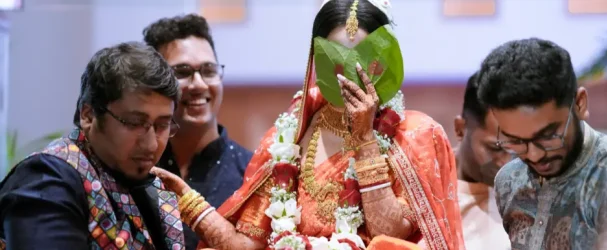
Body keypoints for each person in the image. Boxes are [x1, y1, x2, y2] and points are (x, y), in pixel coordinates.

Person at [151, 0, 464, 249]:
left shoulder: (416, 136)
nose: (351, 74)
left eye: (364, 60)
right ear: (317, 58)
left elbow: (389, 235)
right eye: (336, 60)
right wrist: (187, 199)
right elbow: (246, 243)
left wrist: (366, 138)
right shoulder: (289, 134)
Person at [0, 42, 185, 249]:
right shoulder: (49, 179)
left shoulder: (152, 185)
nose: (151, 144)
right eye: (134, 123)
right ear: (88, 115)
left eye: (162, 125)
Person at [477, 38, 607, 249]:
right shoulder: (508, 181)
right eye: (515, 141)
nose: (534, 155)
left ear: (579, 104)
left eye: (548, 136)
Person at [143, 14, 253, 250]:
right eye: (182, 72)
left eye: (209, 70)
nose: (199, 84)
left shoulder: (253, 174)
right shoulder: (136, 168)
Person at [449, 72, 511, 249]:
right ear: (460, 129)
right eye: (495, 148)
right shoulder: (416, 180)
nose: (506, 162)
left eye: (515, 149)